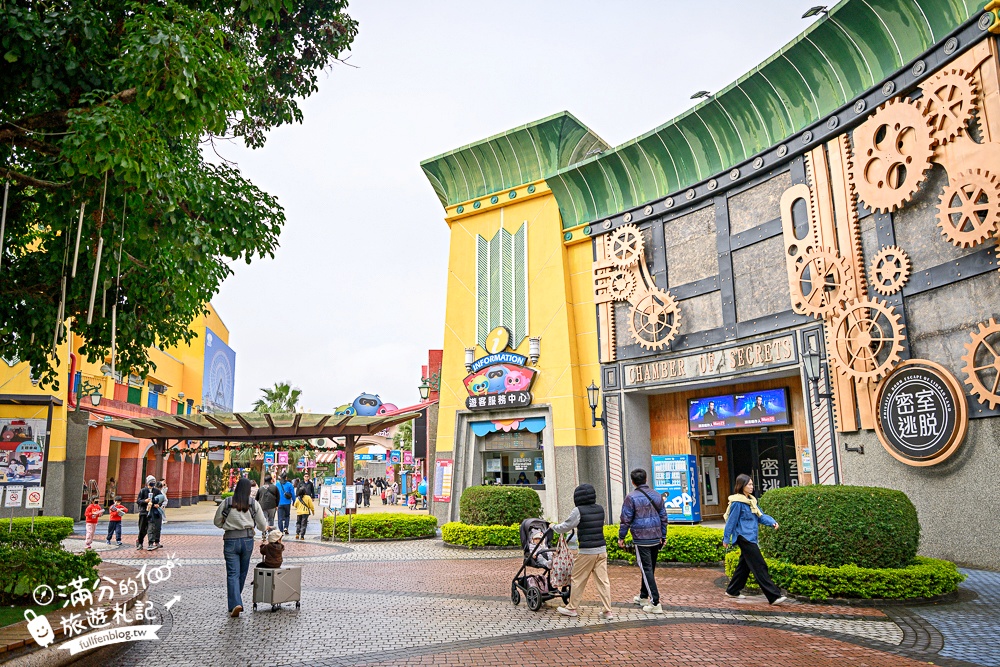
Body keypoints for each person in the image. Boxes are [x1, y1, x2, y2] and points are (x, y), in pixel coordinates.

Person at [723, 474, 787, 605]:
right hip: (743, 537)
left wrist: (772, 522)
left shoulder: (751, 501)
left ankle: (732, 590)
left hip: (751, 537)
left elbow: (761, 516)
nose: (752, 487)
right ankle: (774, 596)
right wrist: (726, 538)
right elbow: (731, 522)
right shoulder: (737, 503)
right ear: (742, 486)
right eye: (749, 484)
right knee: (759, 565)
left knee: (744, 566)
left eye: (752, 484)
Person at [554, 483, 613, 620]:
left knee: (577, 579)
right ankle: (607, 611)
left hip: (587, 551)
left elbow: (566, 526)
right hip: (602, 550)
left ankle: (571, 608)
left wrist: (553, 527)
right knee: (603, 581)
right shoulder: (600, 509)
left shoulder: (578, 510)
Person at [215, 477, 269, 617]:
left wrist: (226, 526)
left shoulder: (227, 502)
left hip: (230, 540)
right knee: (242, 573)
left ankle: (235, 603)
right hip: (247, 540)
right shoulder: (253, 504)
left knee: (232, 573)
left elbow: (216, 521)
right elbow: (263, 525)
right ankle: (235, 602)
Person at [618, 468, 668, 614]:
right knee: (649, 568)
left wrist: (621, 537)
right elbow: (664, 517)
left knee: (646, 569)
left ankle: (655, 602)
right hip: (656, 536)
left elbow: (625, 519)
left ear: (633, 481)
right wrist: (663, 536)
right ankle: (643, 596)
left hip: (641, 538)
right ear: (646, 479)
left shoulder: (631, 497)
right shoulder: (657, 495)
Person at [135, 476, 156, 550]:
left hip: (153, 512)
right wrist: (145, 501)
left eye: (154, 481)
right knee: (142, 528)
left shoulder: (156, 491)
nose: (153, 483)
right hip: (144, 512)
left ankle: (151, 543)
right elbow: (138, 501)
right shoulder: (143, 490)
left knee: (151, 528)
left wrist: (158, 504)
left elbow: (161, 499)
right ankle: (140, 542)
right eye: (151, 481)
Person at [147, 482, 167, 551]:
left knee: (158, 527)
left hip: (157, 512)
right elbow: (142, 501)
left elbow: (163, 500)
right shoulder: (145, 491)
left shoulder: (158, 492)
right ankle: (150, 542)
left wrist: (159, 505)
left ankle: (156, 541)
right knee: (150, 528)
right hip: (149, 512)